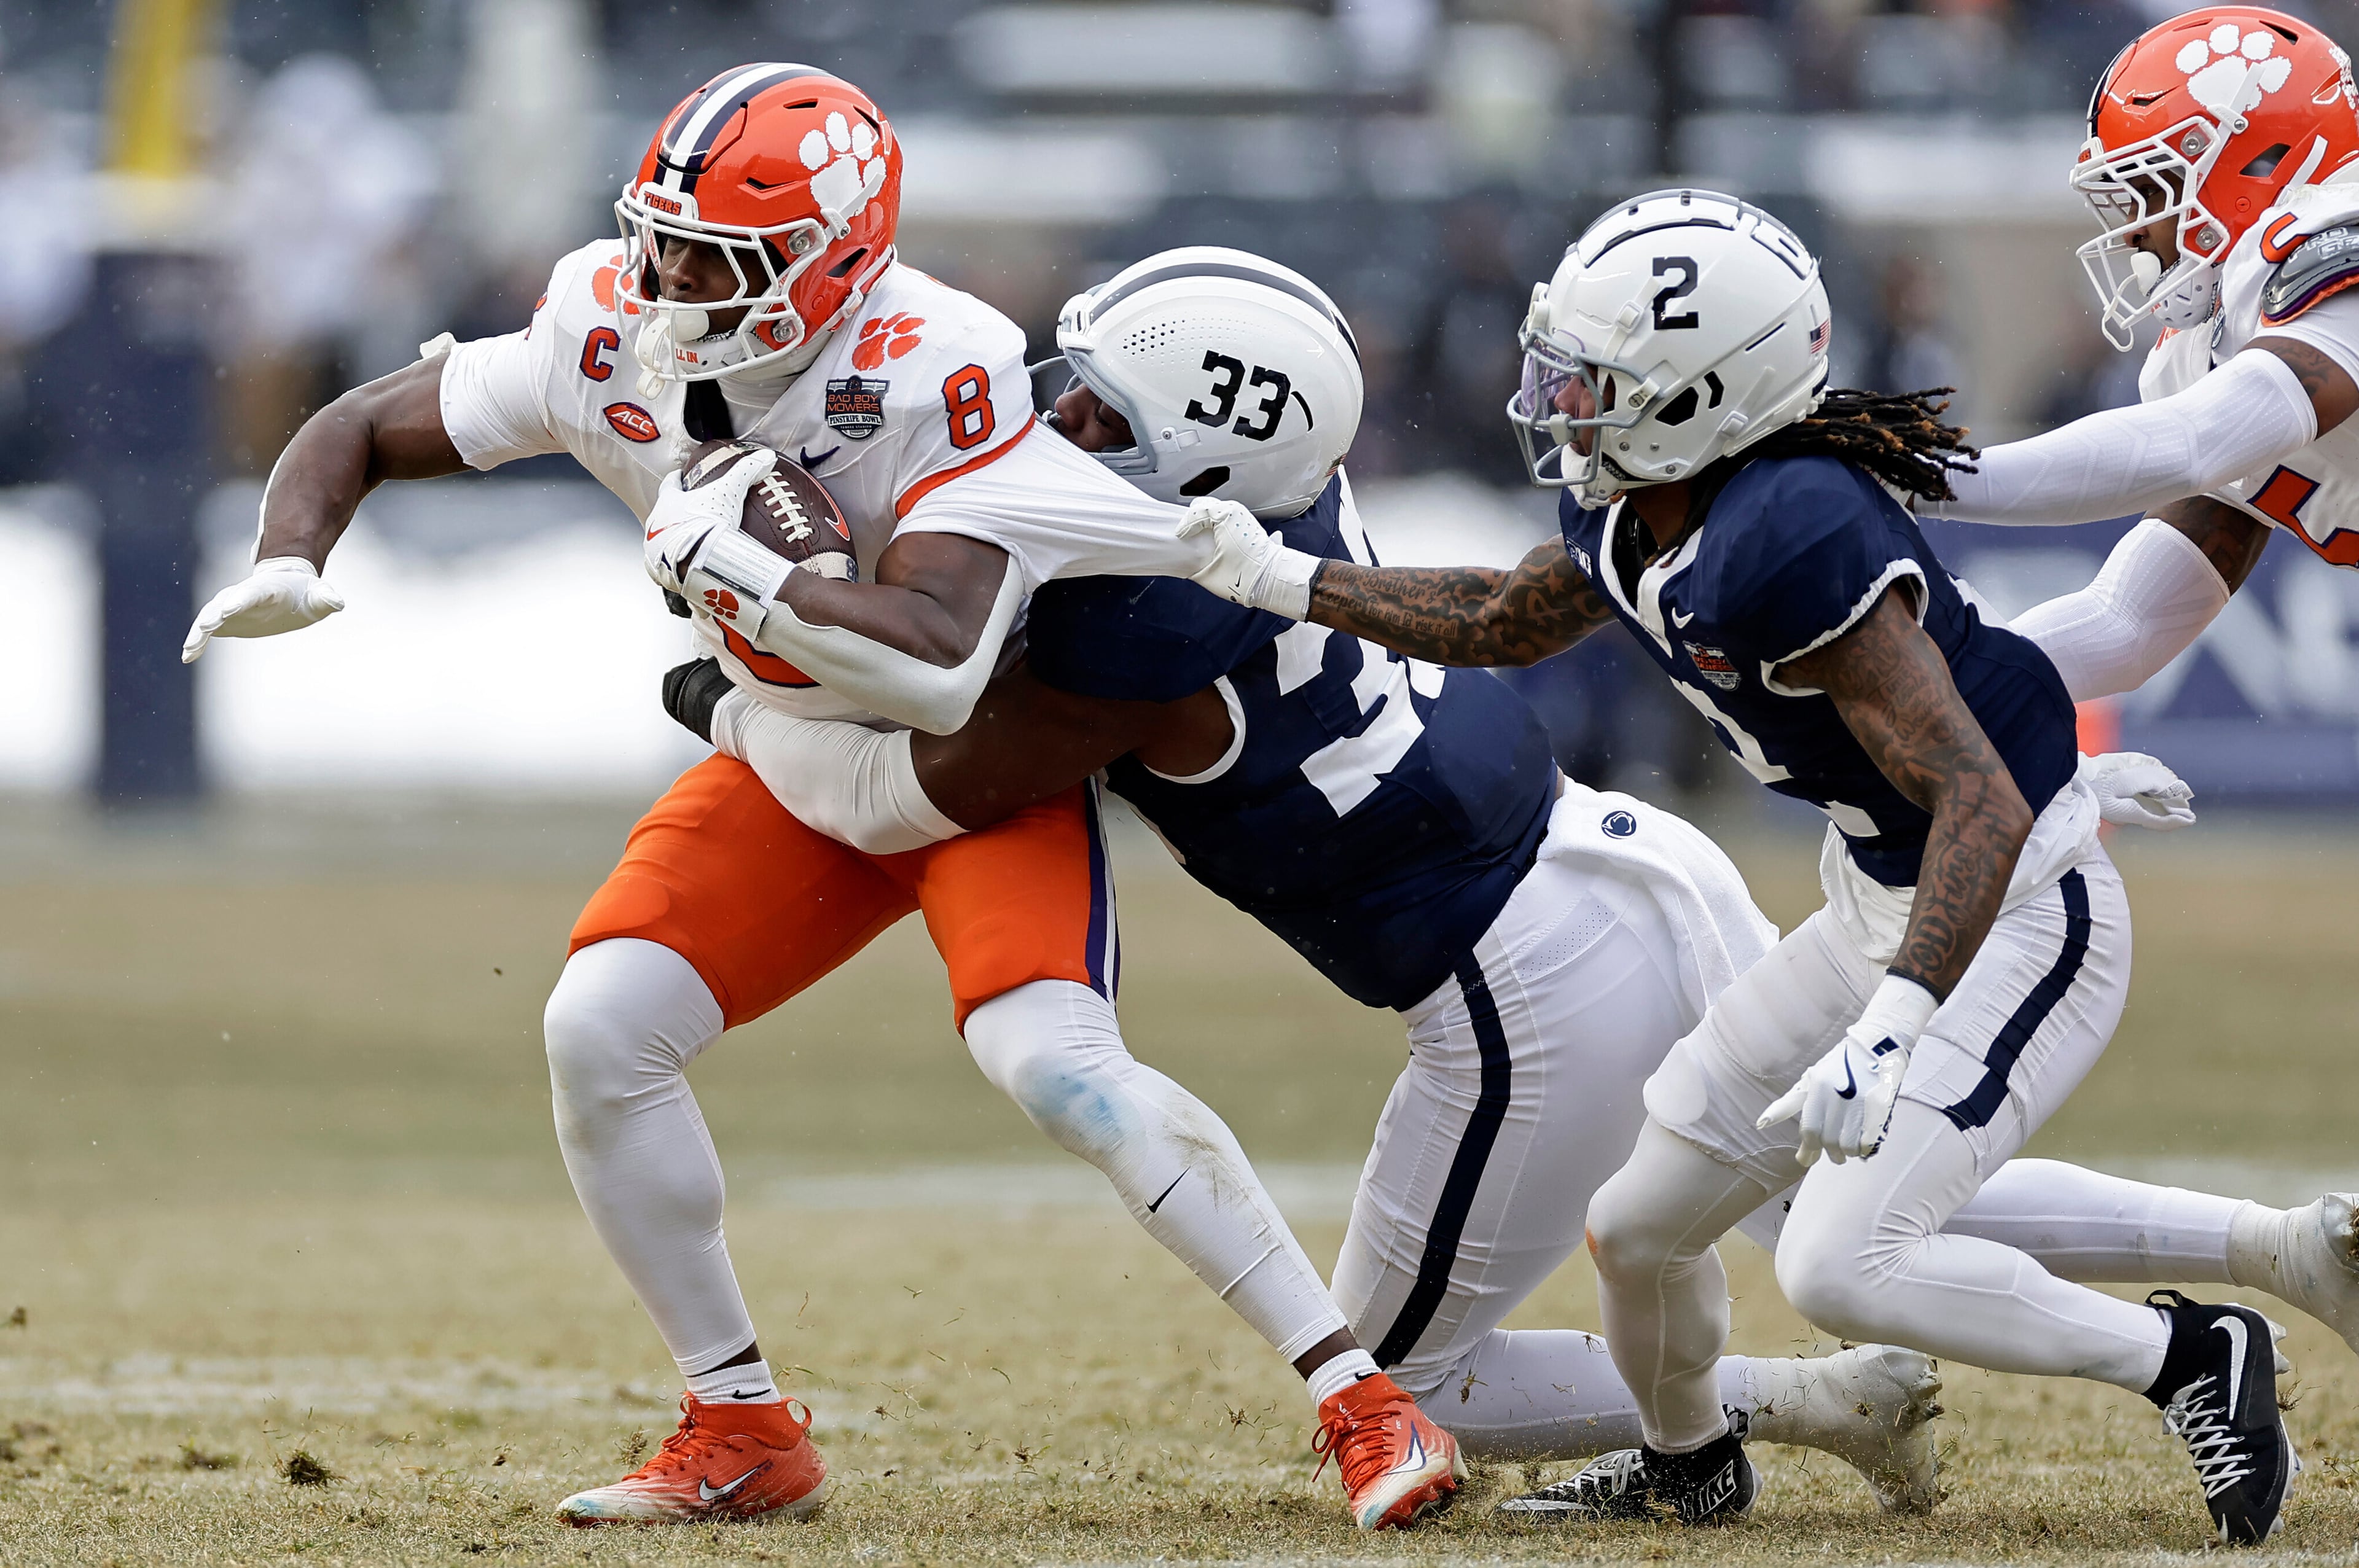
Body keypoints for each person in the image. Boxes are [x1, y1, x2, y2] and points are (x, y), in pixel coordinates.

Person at [177, 66, 1454, 1532]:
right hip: (791, 758)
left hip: (966, 769)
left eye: (714, 259)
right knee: (599, 1028)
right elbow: (362, 424)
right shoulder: (605, 325)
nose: (668, 283)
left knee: (1062, 1068)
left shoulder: (936, 363)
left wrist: (752, 573)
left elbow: (940, 662)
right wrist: (291, 551)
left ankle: (1360, 1395)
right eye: (661, 242)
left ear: (834, 258)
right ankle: (738, 1422)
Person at [665, 245, 1958, 1510]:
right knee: (1897, 1206)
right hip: (1624, 865)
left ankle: (1832, 1400)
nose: (1058, 418)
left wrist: (728, 701)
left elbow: (901, 797)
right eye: (1077, 383)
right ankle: (1909, 1377)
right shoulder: (1265, 492)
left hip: (1528, 977)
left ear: (1205, 460)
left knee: (1417, 1385)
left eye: (1104, 413)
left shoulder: (1140, 624)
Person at [1170, 190, 2301, 1544]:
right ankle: (1689, 1458)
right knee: (1640, 1225)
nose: (1558, 402)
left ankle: (2188, 1354)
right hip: (1879, 894)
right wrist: (1282, 581)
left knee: (1841, 1261)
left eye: (1592, 379)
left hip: (2014, 905)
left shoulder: (1790, 530)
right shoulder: (1648, 505)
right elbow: (1502, 616)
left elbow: (1979, 799)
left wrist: (1892, 1026)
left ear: (1701, 394)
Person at [1921, 7, 2359, 706]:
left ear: (2259, 160)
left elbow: (2192, 442)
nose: (2133, 232)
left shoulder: (2338, 244)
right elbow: (2126, 622)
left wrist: (1921, 474)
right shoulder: (2216, 341)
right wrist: (1936, 699)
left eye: (2154, 188)